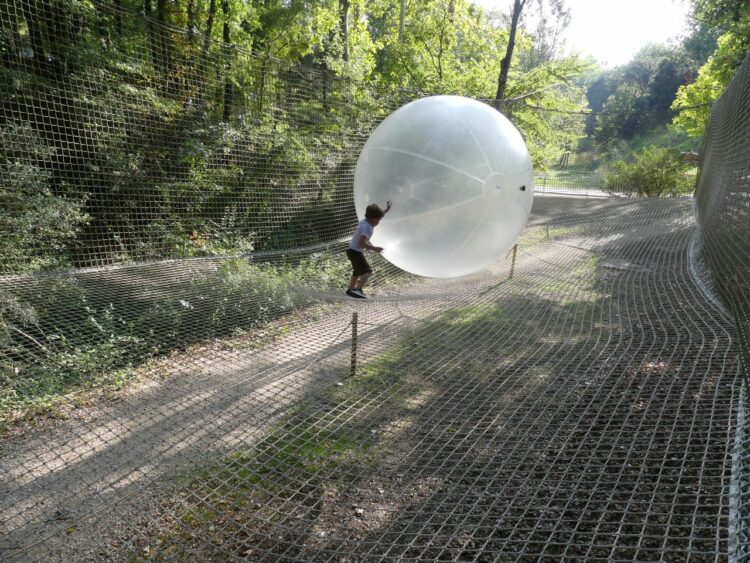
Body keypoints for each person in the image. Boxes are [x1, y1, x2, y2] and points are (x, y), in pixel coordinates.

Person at [345, 200, 392, 298]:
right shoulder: (367, 228)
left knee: (357, 271)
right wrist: (375, 249)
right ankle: (358, 290)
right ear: (374, 219)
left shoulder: (365, 221)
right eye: (379, 219)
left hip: (350, 251)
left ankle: (350, 290)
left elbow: (376, 215)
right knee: (368, 271)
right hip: (355, 252)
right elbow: (361, 243)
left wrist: (386, 210)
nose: (379, 222)